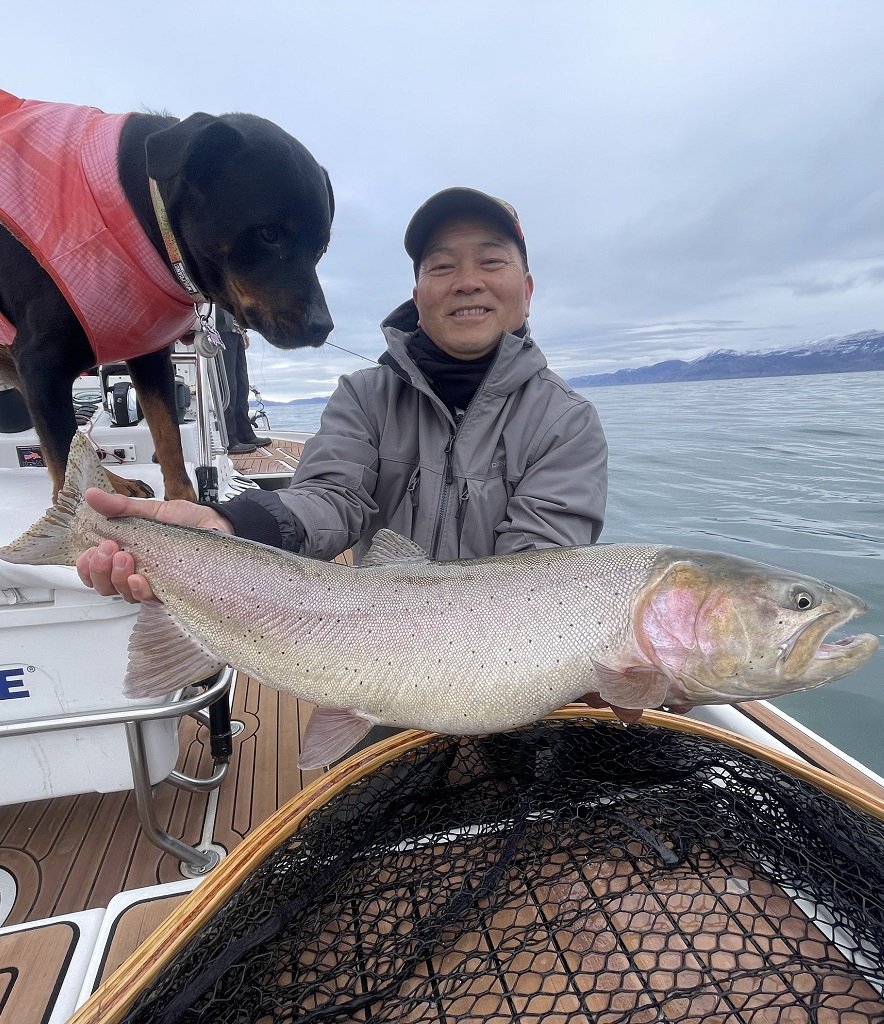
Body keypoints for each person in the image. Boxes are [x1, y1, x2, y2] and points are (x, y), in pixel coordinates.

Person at [76, 188, 633, 718]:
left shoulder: (568, 422)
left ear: (527, 289)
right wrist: (232, 524)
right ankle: (76, 527)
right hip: (372, 673)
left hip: (511, 687)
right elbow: (331, 496)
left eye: (491, 262)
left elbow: (538, 574)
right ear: (418, 296)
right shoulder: (364, 395)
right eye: (442, 267)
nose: (467, 282)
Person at [216, 307, 271, 454]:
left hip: (235, 331)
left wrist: (243, 331)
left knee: (242, 385)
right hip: (220, 330)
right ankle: (229, 439)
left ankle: (245, 433)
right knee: (228, 386)